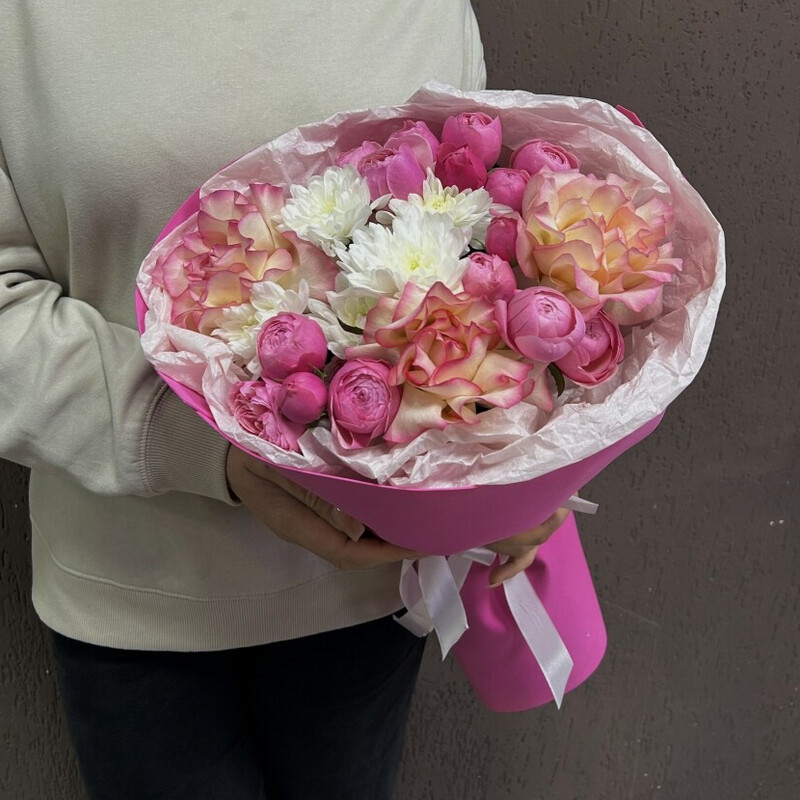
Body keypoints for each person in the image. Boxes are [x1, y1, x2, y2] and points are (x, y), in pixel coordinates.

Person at [0, 2, 566, 798]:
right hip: (138, 595)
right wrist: (209, 440)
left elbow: (475, 236)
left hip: (373, 591)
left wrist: (514, 450)